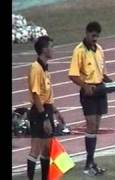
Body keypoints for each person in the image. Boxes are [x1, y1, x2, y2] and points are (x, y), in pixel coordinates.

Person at [68, 21, 110, 176]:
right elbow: (73, 74)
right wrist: (85, 86)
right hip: (89, 93)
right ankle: (88, 164)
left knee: (96, 127)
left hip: (100, 90)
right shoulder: (79, 51)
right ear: (86, 33)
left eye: (97, 37)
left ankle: (91, 162)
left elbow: (102, 72)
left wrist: (111, 83)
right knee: (91, 125)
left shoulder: (99, 49)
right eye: (93, 36)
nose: (95, 39)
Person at [26, 36, 65, 180]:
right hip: (39, 112)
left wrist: (56, 111)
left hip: (46, 109)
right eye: (51, 46)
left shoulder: (45, 69)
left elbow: (47, 96)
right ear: (44, 49)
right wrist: (45, 119)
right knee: (35, 149)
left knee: (47, 150)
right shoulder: (36, 68)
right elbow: (36, 95)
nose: (53, 49)